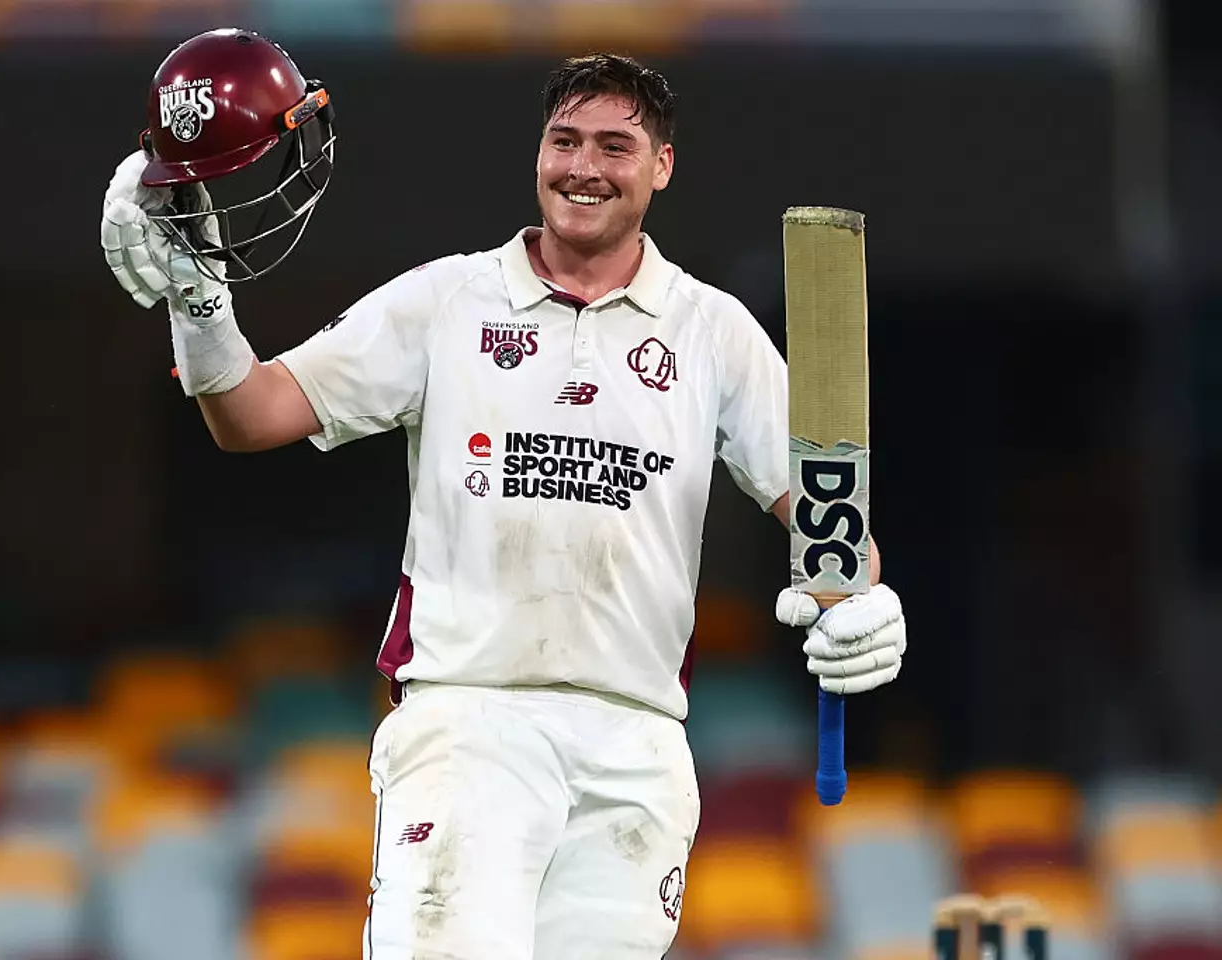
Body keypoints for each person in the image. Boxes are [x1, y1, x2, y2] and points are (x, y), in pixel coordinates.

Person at [101, 29, 907, 960]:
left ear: (663, 167)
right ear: (538, 155)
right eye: (566, 142)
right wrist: (198, 300)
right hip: (468, 720)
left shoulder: (712, 331)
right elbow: (250, 415)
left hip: (637, 741)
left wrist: (866, 600)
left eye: (616, 147)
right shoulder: (448, 301)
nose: (584, 168)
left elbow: (828, 522)